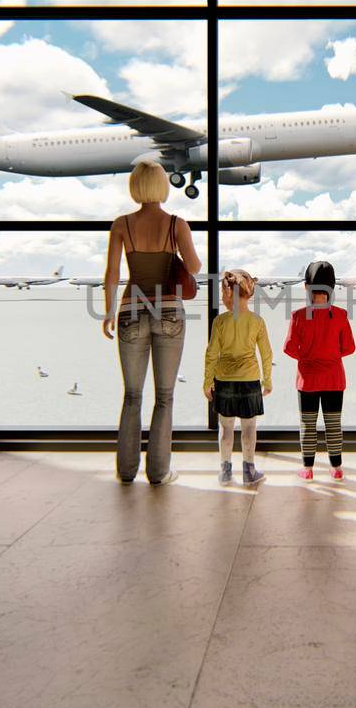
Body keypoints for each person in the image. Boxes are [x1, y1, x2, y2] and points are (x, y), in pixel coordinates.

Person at [102, 160, 202, 486]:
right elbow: (196, 266)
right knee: (165, 396)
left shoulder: (121, 225)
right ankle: (159, 473)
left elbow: (113, 275)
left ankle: (126, 471)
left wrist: (106, 312)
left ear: (135, 185)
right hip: (169, 311)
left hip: (130, 310)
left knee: (132, 396)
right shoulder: (176, 224)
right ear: (162, 185)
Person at [283, 260, 356, 481]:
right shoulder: (341, 315)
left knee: (308, 423)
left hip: (308, 379)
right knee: (334, 424)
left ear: (307, 287)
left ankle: (307, 469)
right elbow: (350, 347)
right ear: (332, 288)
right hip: (334, 377)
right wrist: (331, 356)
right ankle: (336, 468)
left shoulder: (298, 316)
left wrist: (307, 357)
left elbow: (288, 348)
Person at [204, 269, 273, 485]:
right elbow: (266, 353)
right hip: (250, 380)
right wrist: (267, 380)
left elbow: (212, 353)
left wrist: (208, 381)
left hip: (224, 381)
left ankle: (225, 471)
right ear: (249, 292)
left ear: (226, 294)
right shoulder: (257, 321)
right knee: (249, 428)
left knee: (225, 429)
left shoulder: (220, 321)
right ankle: (249, 471)